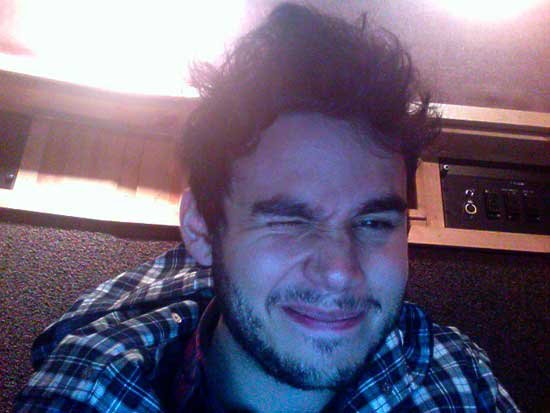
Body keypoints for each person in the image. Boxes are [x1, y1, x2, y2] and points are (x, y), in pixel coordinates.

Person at [15, 3, 518, 412]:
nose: (340, 272)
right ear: (201, 229)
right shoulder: (88, 390)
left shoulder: (460, 381)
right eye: (291, 220)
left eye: (372, 222)